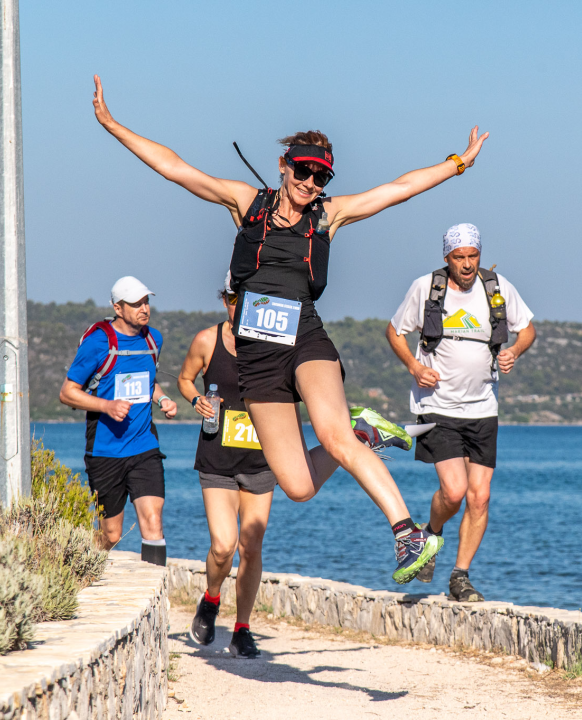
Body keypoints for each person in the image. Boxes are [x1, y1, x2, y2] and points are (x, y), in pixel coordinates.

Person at [92, 75, 488, 583]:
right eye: (303, 171)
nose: (310, 184)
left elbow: (399, 189)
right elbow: (175, 168)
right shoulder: (246, 204)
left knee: (334, 436)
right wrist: (113, 126)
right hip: (256, 357)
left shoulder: (328, 216)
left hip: (305, 337)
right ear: (284, 166)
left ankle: (407, 533)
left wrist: (458, 163)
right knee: (298, 485)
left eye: (320, 177)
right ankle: (366, 430)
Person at [177, 272, 341, 658]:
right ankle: (212, 599)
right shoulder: (207, 340)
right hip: (217, 458)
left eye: (247, 297)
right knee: (223, 546)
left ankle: (243, 628)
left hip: (261, 459)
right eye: (233, 297)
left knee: (251, 545)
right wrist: (196, 400)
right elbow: (186, 380)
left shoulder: (277, 345)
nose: (239, 304)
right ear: (224, 300)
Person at [386, 224, 536, 601]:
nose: (468, 265)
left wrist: (514, 352)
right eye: (459, 257)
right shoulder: (426, 288)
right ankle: (430, 535)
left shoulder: (497, 288)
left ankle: (460, 576)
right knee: (453, 493)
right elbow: (394, 331)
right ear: (446, 258)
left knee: (480, 497)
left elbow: (528, 329)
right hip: (437, 405)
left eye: (473, 256)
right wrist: (414, 367)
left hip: (484, 407)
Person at [59, 276, 178, 564]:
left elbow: (146, 382)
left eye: (146, 301)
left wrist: (162, 399)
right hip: (105, 452)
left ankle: (153, 589)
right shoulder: (98, 344)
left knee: (153, 521)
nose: (144, 308)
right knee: (111, 535)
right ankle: (77, 571)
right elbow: (67, 393)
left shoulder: (153, 340)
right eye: (136, 303)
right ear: (117, 307)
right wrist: (107, 406)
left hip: (143, 446)